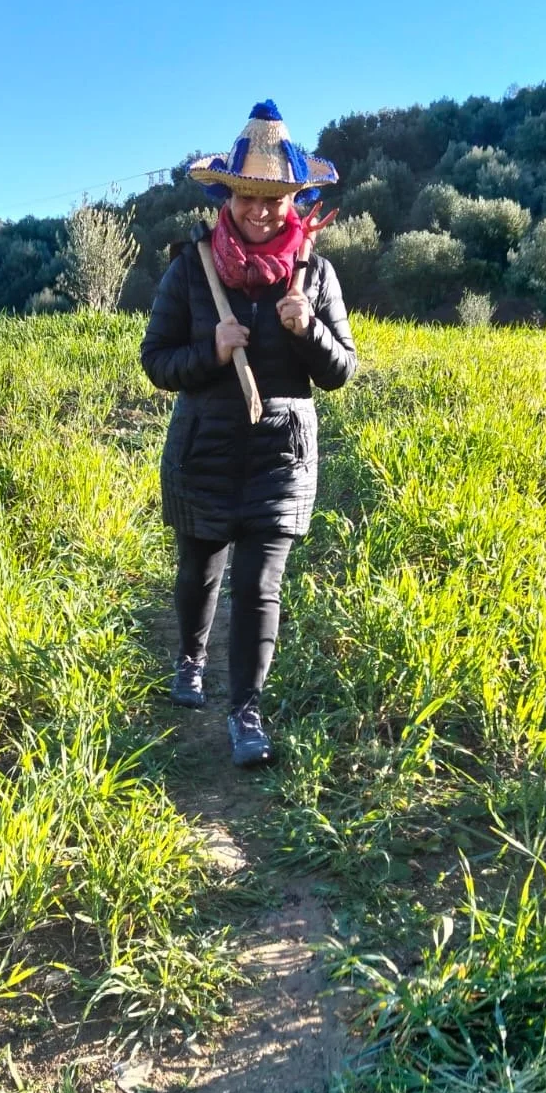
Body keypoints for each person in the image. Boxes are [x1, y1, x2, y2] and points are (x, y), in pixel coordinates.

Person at [140, 101, 357, 767]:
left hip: (281, 456)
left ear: (294, 199)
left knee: (260, 588)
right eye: (247, 197)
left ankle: (246, 714)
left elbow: (342, 369)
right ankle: (190, 658)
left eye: (274, 199)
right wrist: (209, 349)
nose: (260, 211)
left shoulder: (315, 276)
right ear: (226, 195)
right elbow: (156, 361)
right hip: (204, 449)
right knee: (200, 574)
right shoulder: (190, 267)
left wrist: (307, 329)